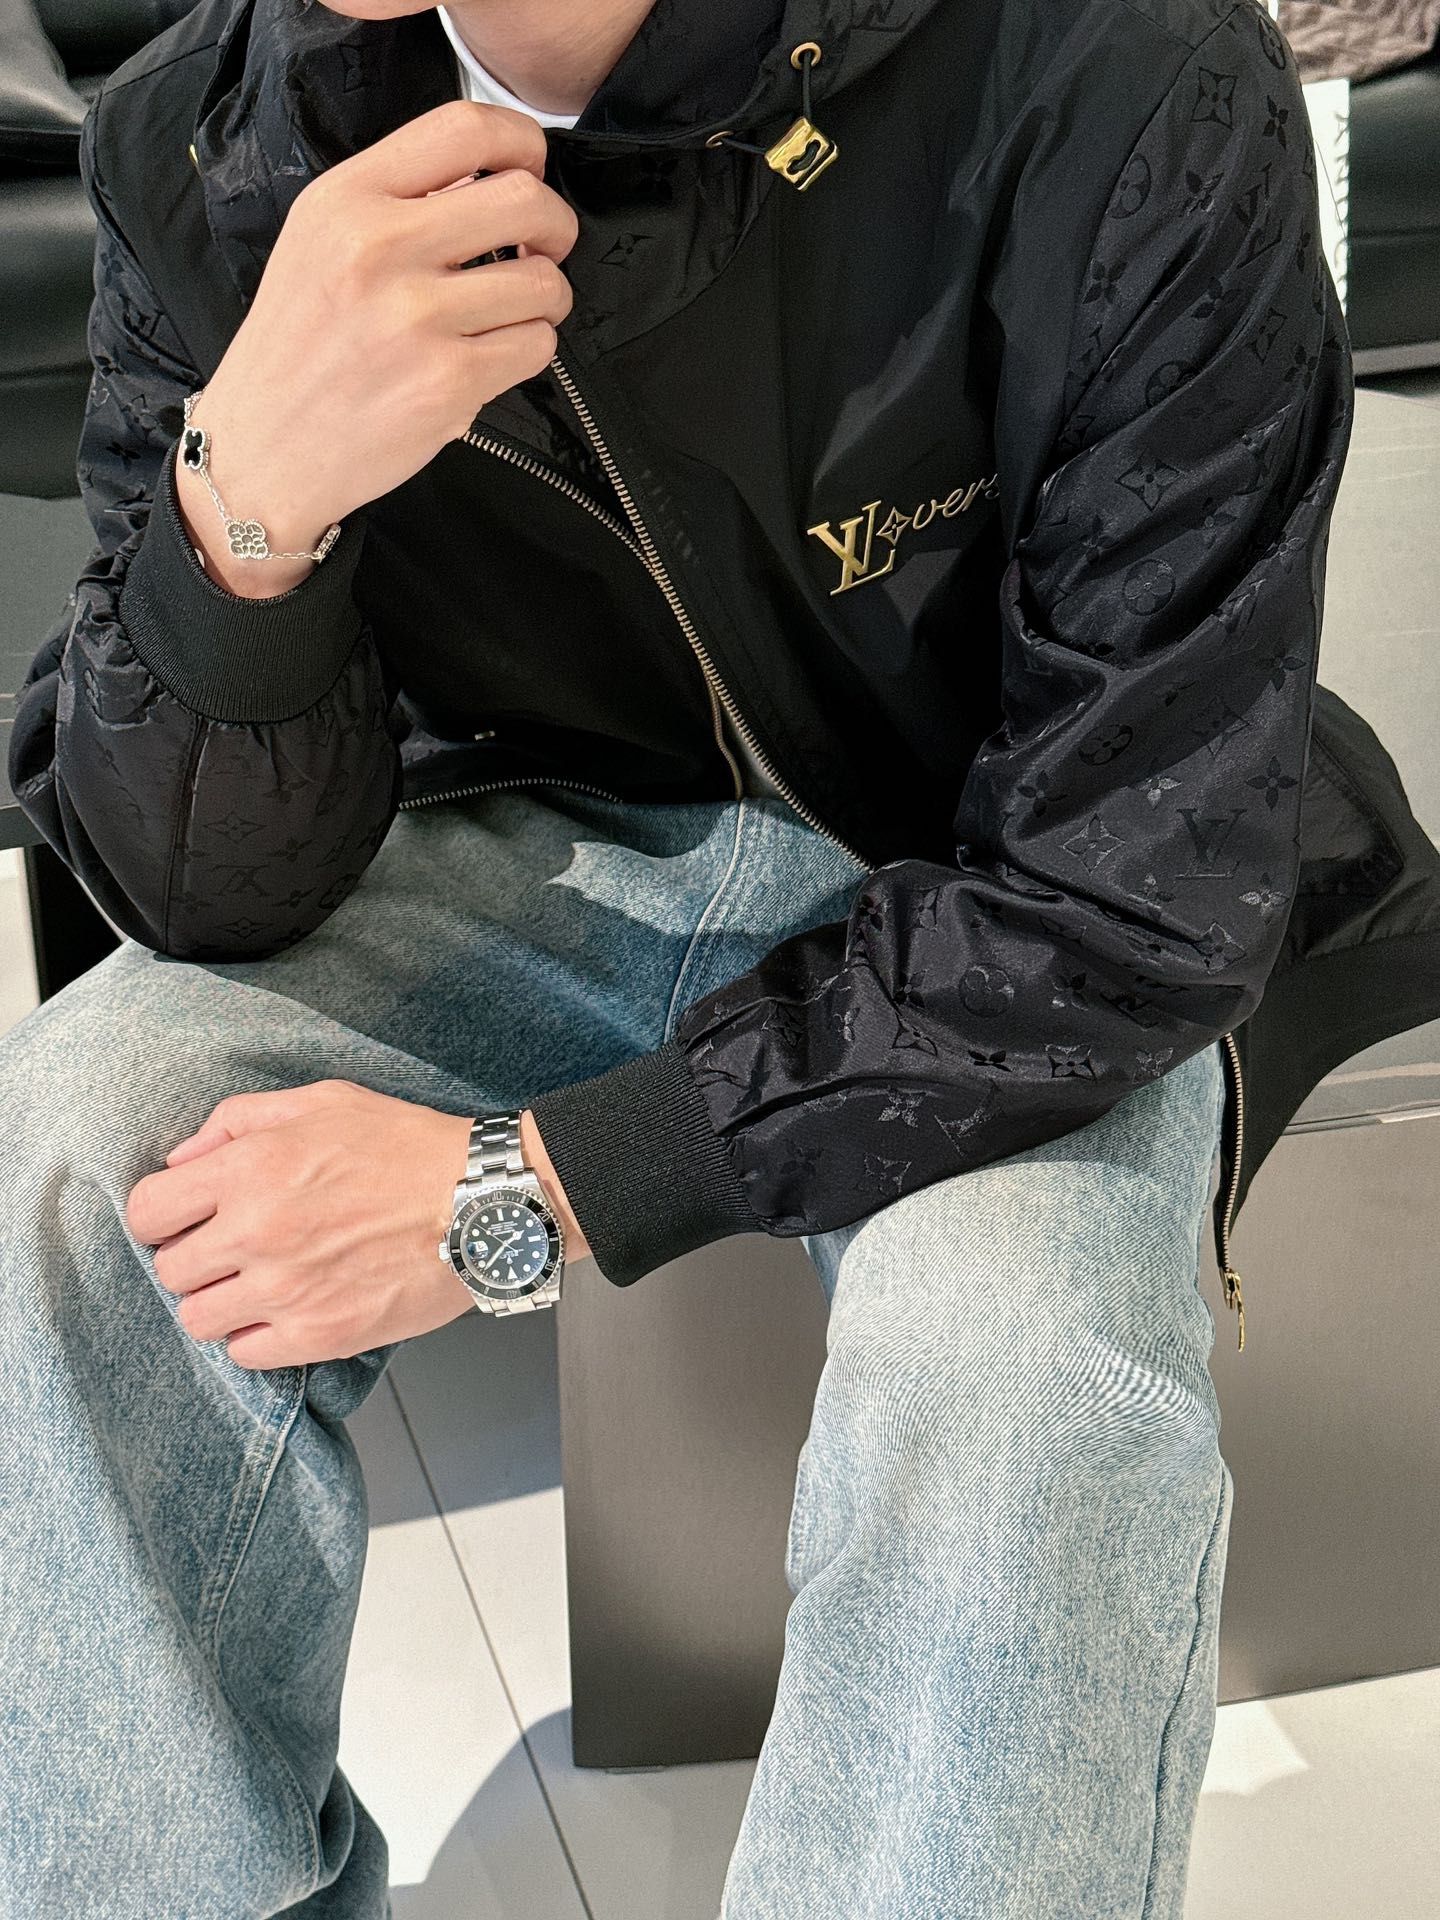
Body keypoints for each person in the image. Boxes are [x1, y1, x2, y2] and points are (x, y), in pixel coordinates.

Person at [5, 0, 1437, 1913]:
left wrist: (529, 1189)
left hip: (996, 889)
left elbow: (1128, 886)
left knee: (1016, 1373)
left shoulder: (1120, 69)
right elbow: (191, 893)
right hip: (541, 825)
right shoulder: (214, 139)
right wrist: (243, 510)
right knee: (77, 1157)